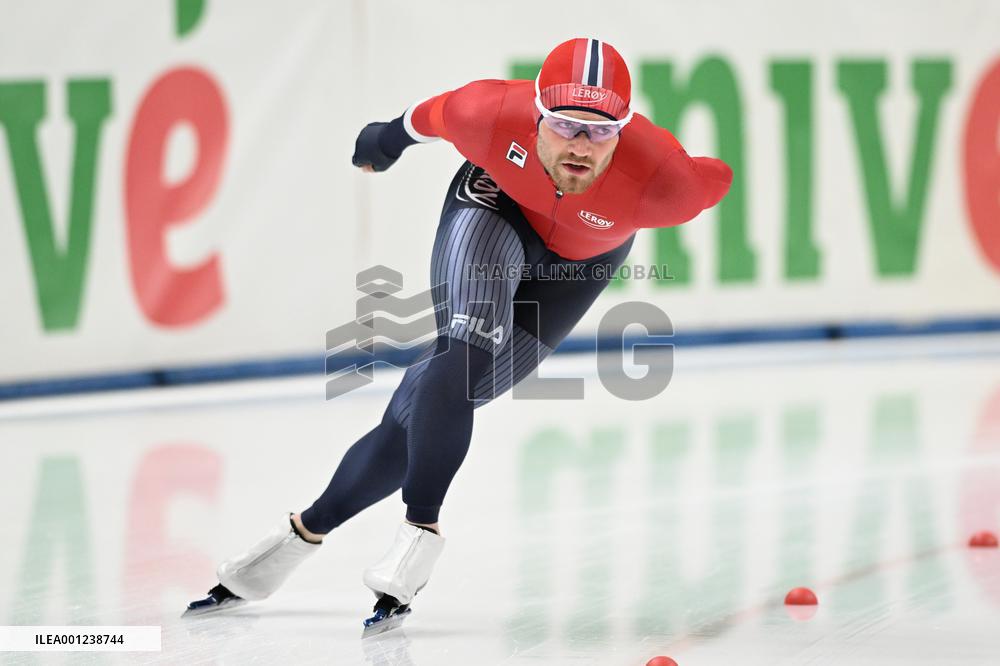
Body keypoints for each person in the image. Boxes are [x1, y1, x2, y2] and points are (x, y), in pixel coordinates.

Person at [184, 37, 732, 634]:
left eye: (599, 132)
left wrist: (698, 168)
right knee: (464, 351)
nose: (578, 145)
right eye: (564, 125)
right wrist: (388, 139)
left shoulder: (665, 184)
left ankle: (295, 539)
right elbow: (430, 116)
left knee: (420, 411)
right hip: (491, 208)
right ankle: (421, 530)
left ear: (624, 130)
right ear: (537, 114)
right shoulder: (491, 113)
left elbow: (715, 179)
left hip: (576, 269)